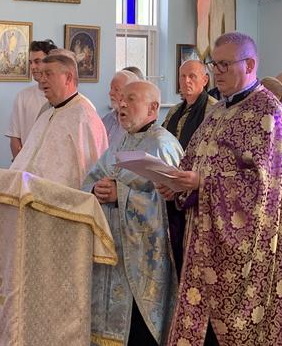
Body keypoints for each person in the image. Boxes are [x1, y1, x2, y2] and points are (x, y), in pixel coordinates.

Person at [161, 32, 282, 345]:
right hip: (203, 238)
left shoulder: (268, 113)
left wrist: (203, 184)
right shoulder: (217, 111)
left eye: (225, 64)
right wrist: (175, 185)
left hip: (244, 250)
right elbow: (192, 161)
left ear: (251, 64)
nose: (217, 71)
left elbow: (261, 187)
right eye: (214, 64)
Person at [84, 80, 181, 346]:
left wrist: (122, 195)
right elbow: (92, 177)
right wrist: (95, 188)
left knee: (139, 332)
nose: (122, 104)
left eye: (131, 99)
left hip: (144, 261)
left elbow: (171, 205)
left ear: (153, 108)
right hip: (113, 250)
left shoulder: (163, 144)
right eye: (121, 99)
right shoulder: (122, 141)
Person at [10, 51, 108, 189]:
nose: (42, 79)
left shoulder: (84, 117)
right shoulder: (46, 114)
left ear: (68, 78)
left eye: (48, 74)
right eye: (42, 74)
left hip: (61, 203)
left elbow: (92, 172)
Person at [162, 59, 218, 276]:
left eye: (192, 76)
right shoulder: (174, 110)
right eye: (182, 76)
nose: (186, 81)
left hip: (196, 191)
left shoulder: (213, 110)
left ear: (205, 80)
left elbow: (210, 154)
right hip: (171, 186)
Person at [5, 40, 57, 159]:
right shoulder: (23, 96)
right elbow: (15, 137)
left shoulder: (63, 98)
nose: (33, 67)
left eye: (37, 62)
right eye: (31, 62)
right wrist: (21, 166)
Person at [101, 70, 139, 149]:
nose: (110, 93)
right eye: (111, 88)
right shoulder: (106, 119)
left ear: (131, 93)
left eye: (116, 89)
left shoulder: (137, 124)